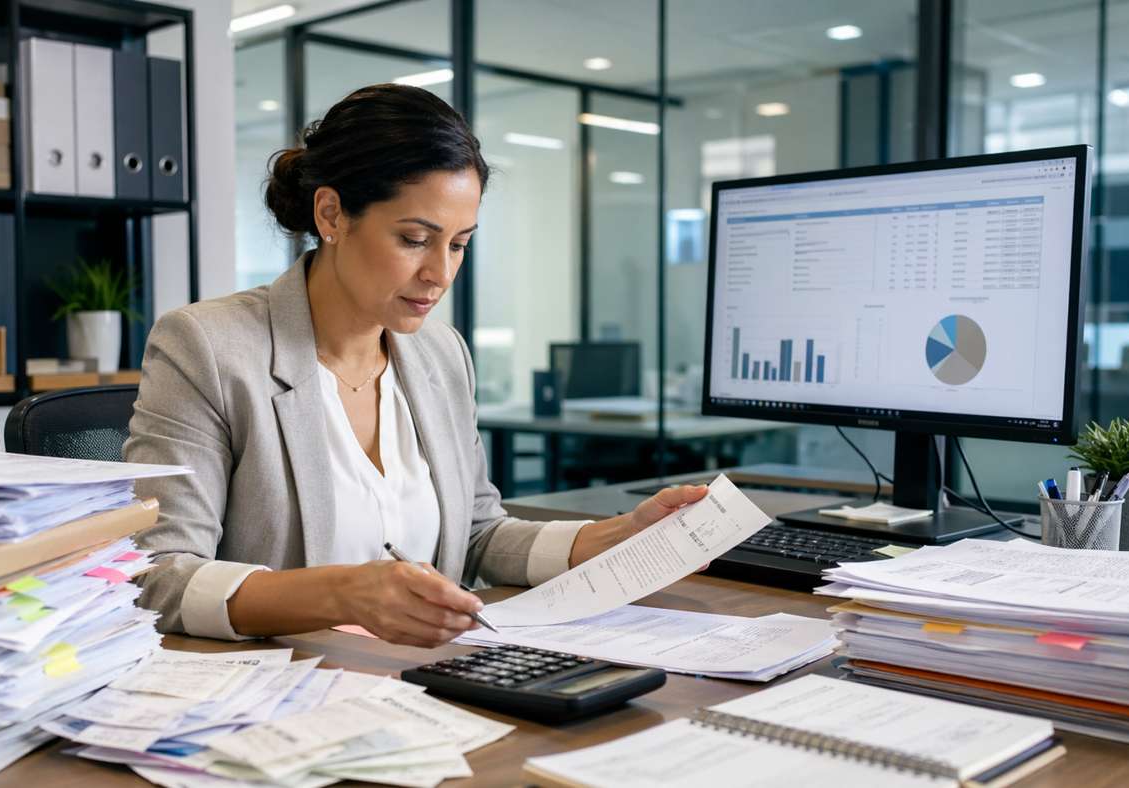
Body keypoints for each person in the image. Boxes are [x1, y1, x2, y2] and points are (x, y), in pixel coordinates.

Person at [126, 83, 707, 647]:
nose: (441, 273)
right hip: (287, 689)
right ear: (331, 215)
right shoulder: (208, 346)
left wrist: (615, 537)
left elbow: (478, 536)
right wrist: (345, 594)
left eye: (458, 244)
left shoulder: (440, 354)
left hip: (431, 678)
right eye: (413, 238)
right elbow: (160, 575)